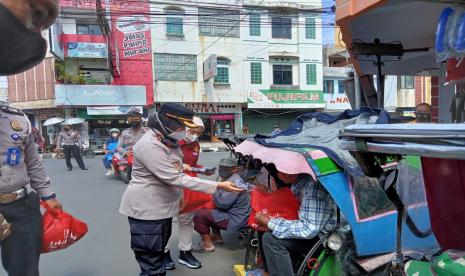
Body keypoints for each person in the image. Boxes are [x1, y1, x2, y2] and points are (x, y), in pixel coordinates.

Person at [119, 103, 243, 276]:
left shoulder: (169, 141)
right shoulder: (149, 145)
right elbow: (174, 177)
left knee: (157, 256)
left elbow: (179, 168)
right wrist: (217, 186)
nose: (184, 130)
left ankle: (180, 255)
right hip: (146, 212)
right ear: (166, 123)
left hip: (162, 209)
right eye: (182, 126)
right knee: (152, 265)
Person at [0, 1, 62, 275]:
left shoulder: (16, 119)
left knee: (25, 270)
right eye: (36, 15)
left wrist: (48, 195)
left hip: (21, 205)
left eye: (45, 26)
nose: (38, 30)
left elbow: (33, 163)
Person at [254, 170, 336, 276]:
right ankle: (268, 270)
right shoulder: (299, 183)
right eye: (281, 170)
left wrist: (270, 222)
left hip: (323, 238)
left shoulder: (314, 189)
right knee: (263, 228)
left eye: (289, 170)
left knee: (271, 239)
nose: (286, 174)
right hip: (311, 228)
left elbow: (308, 229)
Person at [164, 117, 206, 270]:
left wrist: (200, 169)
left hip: (188, 186)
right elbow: (161, 165)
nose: (194, 135)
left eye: (198, 133)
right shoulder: (169, 142)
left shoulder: (195, 144)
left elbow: (193, 164)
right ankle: (164, 254)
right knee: (165, 221)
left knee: (186, 220)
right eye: (193, 131)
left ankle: (185, 252)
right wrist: (180, 166)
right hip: (169, 186)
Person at [193, 175, 251, 252]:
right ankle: (216, 237)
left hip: (235, 219)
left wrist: (215, 190)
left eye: (225, 167)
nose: (221, 169)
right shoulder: (232, 178)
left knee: (199, 215)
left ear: (234, 169)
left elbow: (222, 204)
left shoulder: (235, 182)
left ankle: (207, 245)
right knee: (208, 208)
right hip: (236, 214)